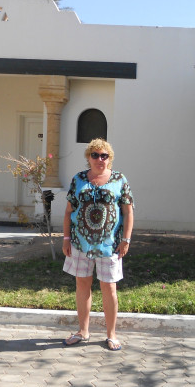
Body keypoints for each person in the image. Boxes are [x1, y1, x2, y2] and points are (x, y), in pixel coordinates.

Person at [62, 138, 134, 351]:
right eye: (95, 155)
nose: (100, 159)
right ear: (89, 157)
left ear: (109, 158)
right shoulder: (78, 179)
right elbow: (68, 211)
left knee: (109, 288)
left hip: (110, 245)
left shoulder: (119, 179)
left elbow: (128, 212)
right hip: (80, 243)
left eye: (104, 155)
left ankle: (111, 334)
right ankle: (83, 331)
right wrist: (66, 238)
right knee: (82, 285)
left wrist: (126, 239)